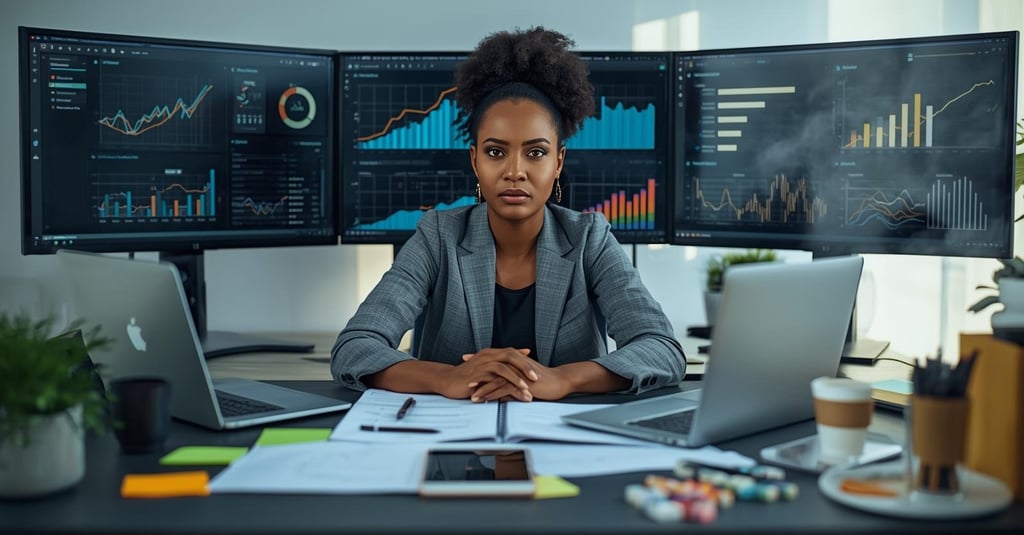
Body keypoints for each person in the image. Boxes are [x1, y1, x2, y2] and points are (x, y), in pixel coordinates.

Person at [331, 27, 685, 402]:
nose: (515, 171)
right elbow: (354, 347)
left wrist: (563, 379)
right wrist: (446, 378)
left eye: (536, 153)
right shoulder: (437, 236)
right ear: (475, 160)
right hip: (455, 433)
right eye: (496, 152)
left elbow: (661, 348)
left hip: (561, 436)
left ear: (558, 162)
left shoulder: (589, 239)